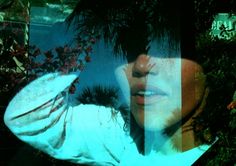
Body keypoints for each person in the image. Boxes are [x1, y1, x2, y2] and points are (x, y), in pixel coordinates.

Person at [4, 1, 219, 165]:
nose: (140, 66)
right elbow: (27, 116)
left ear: (210, 64)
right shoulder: (122, 136)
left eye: (166, 48)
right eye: (125, 51)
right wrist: (78, 27)